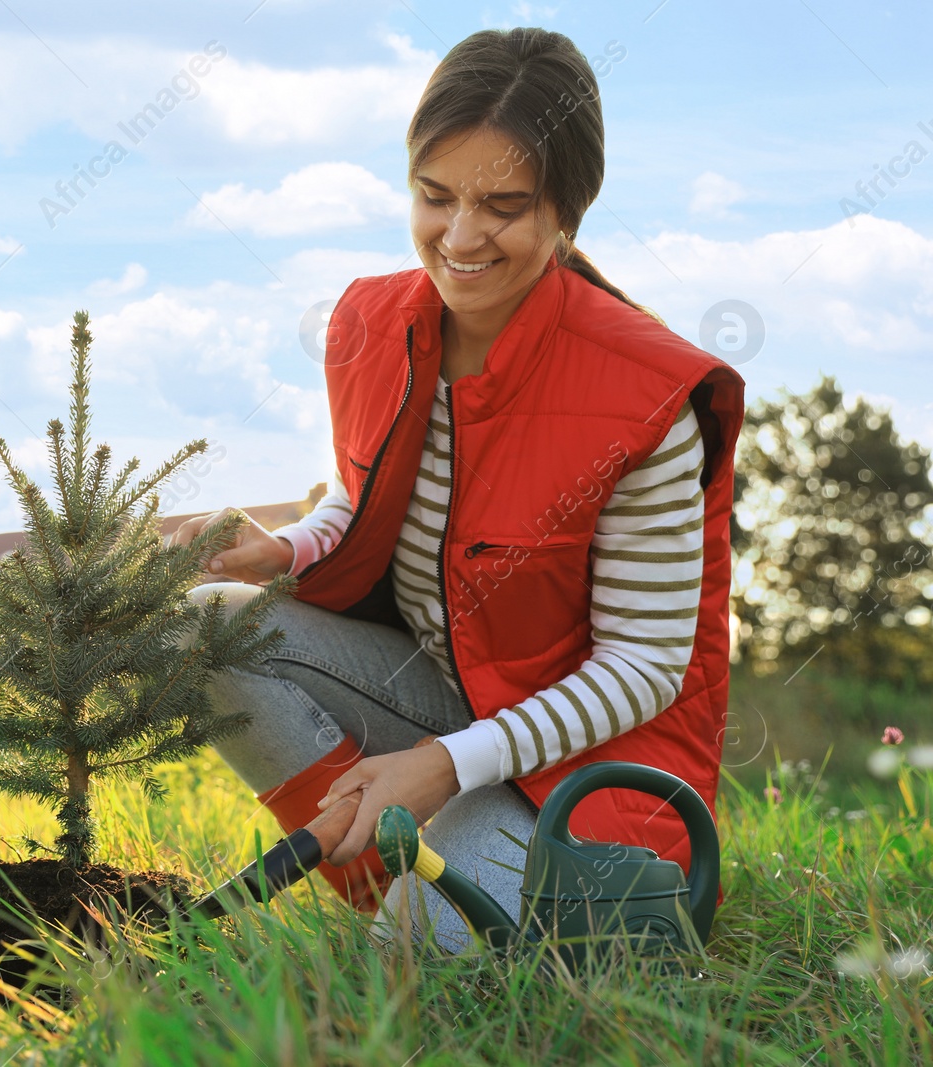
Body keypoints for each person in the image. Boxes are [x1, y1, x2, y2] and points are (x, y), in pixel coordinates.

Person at [170, 26, 744, 951]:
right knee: (209, 623)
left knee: (421, 959)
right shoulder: (372, 321)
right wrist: (287, 548)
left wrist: (446, 765)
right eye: (435, 197)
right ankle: (385, 880)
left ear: (568, 210)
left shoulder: (648, 400)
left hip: (587, 761)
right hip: (442, 695)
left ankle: (432, 903)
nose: (462, 236)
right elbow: (365, 497)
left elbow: (644, 667)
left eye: (504, 206)